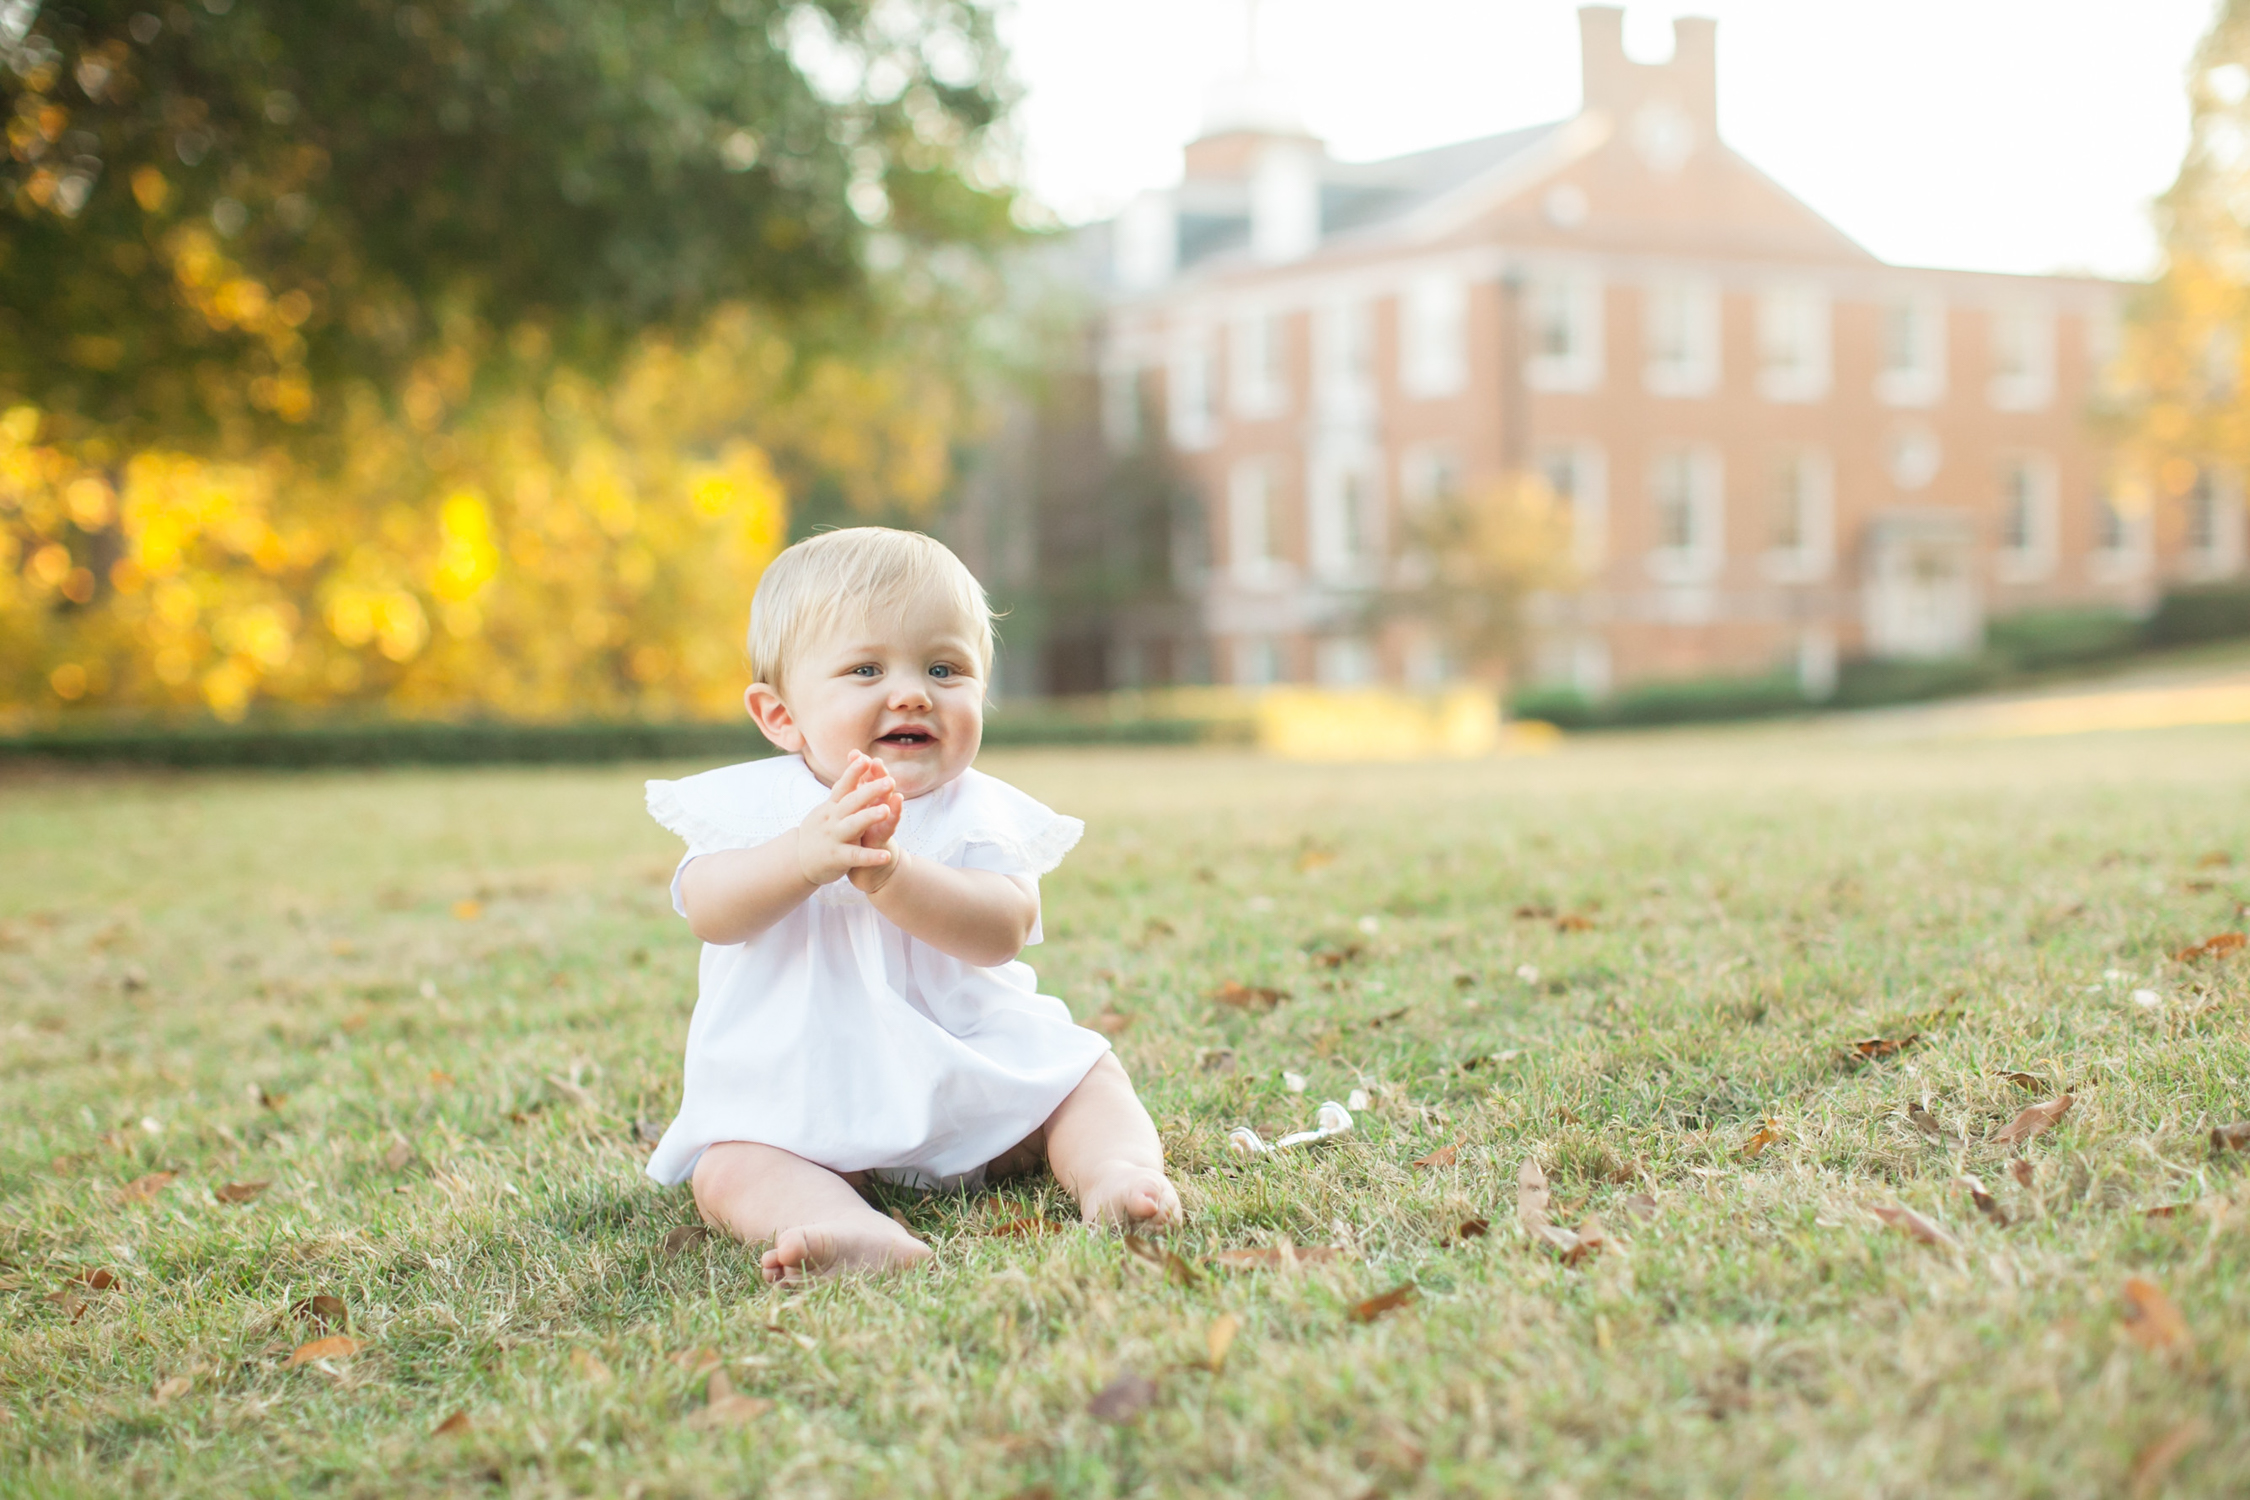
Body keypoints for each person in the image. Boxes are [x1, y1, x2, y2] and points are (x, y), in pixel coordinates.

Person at [644, 527, 1182, 1281]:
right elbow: (708, 908)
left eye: (944, 667)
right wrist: (800, 858)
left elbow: (1005, 928)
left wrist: (895, 877)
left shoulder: (977, 809)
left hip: (969, 1064)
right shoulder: (753, 806)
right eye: (865, 668)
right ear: (780, 716)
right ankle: (838, 1223)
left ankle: (1116, 1176)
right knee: (729, 1168)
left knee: (1086, 1080)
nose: (911, 692)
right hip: (803, 1086)